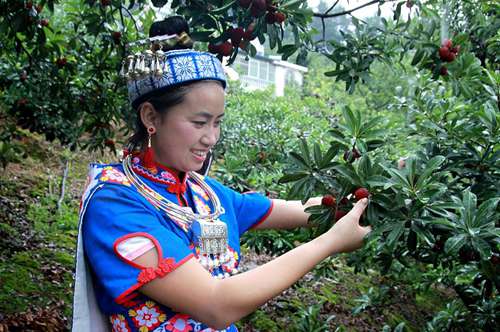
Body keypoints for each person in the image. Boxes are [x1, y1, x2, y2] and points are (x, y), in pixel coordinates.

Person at [72, 16, 371, 332]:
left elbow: (300, 209)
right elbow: (216, 305)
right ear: (151, 116)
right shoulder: (115, 204)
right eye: (199, 123)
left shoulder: (205, 193)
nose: (211, 138)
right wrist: (330, 243)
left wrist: (355, 204)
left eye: (217, 123)